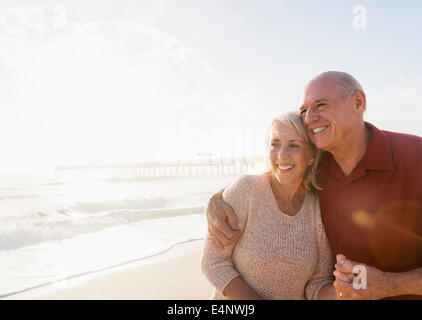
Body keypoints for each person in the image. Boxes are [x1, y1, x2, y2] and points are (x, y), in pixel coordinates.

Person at [206, 71, 422, 300]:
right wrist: (215, 200)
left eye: (321, 105)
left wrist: (388, 285)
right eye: (304, 111)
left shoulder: (416, 157)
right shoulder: (316, 171)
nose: (309, 119)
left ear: (358, 103)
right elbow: (271, 178)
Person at [201, 111, 337, 300]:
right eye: (275, 144)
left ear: (312, 156)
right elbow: (213, 262)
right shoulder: (247, 189)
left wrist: (343, 292)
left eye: (294, 145)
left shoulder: (316, 207)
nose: (282, 155)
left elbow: (318, 283)